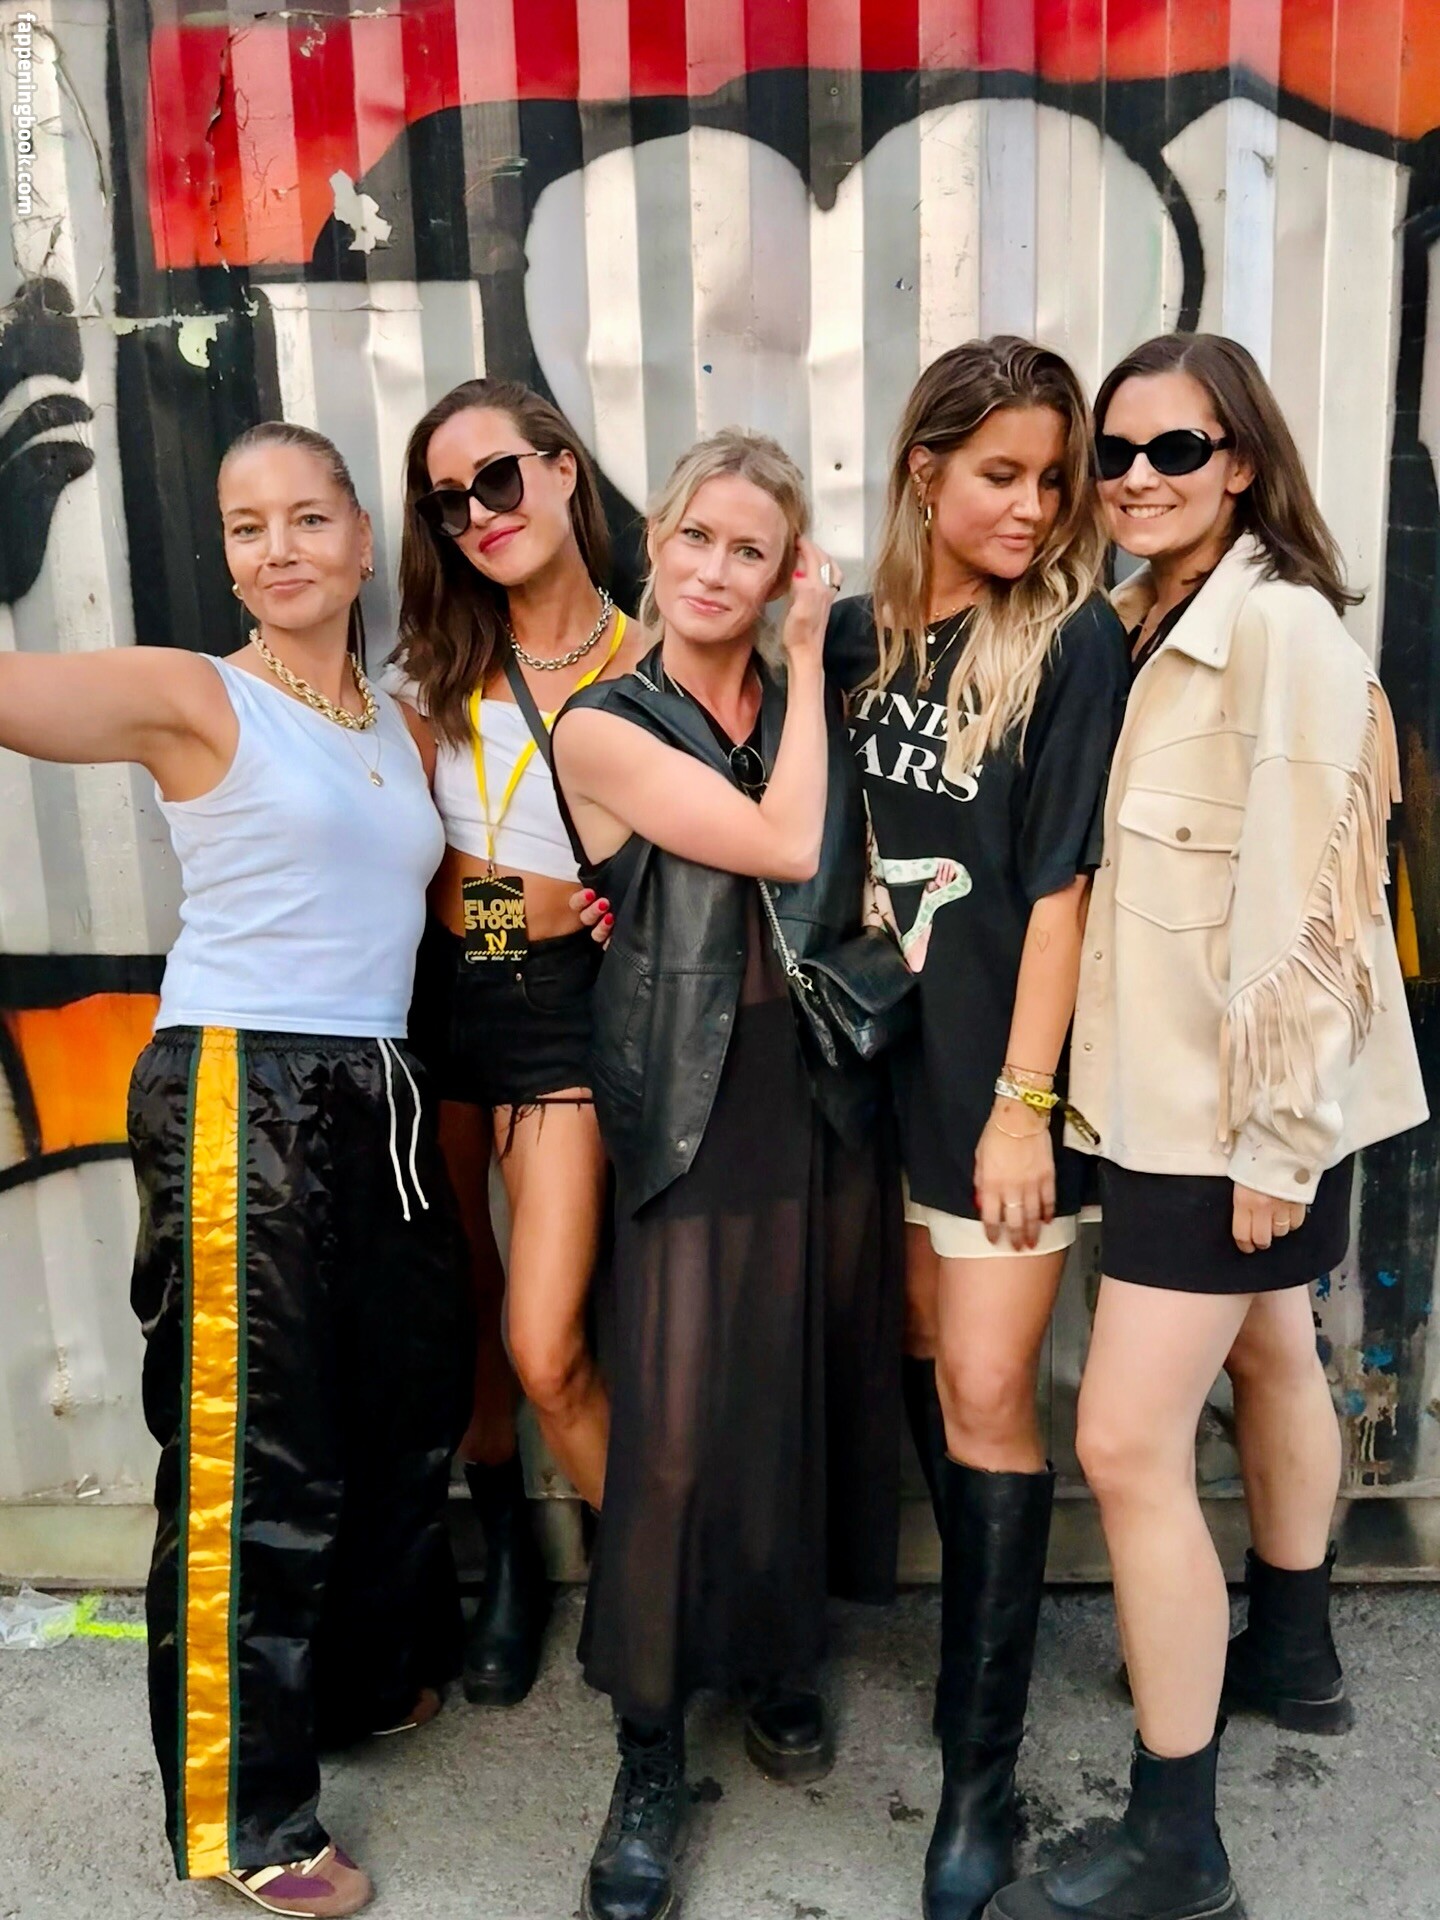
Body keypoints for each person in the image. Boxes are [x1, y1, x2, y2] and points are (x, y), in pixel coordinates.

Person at [0, 421, 473, 1916]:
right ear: (225, 551)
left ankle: (354, 1683)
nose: (280, 550)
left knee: (400, 1408)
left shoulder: (398, 727)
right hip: (239, 1087)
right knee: (254, 1454)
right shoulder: (196, 695)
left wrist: (563, 923)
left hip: (380, 1084)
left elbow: (434, 900)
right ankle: (241, 1818)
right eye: (247, 525)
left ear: (361, 538)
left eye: (309, 519)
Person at [986, 334, 1428, 1920]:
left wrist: (1276, 1147)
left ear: (1240, 461)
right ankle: (1292, 1655)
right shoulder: (1135, 620)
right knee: (1272, 1352)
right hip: (1176, 1096)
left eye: (1175, 449)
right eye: (1115, 452)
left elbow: (1319, 900)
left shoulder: (1280, 630)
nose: (1136, 477)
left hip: (1226, 1116)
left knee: (1121, 1442)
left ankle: (1176, 1843)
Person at [552, 430, 902, 1920]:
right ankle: (646, 1750)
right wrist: (812, 657)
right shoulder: (603, 721)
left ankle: (777, 1658)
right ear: (657, 539)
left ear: (783, 570)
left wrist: (807, 665)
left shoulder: (794, 689)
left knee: (798, 1382)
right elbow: (782, 842)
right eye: (697, 535)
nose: (714, 569)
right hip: (691, 1100)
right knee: (678, 1427)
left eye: (749, 550)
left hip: (815, 1085)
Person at [824, 337, 1128, 1920]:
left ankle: (977, 1776)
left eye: (1052, 478)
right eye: (1000, 473)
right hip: (868, 1068)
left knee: (993, 1387)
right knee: (927, 1358)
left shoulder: (1069, 642)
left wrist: (1026, 1110)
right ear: (924, 468)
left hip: (996, 1082)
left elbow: (1061, 894)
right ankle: (980, 1650)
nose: (1035, 506)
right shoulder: (854, 636)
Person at [392, 378, 643, 1708]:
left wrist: (623, 907)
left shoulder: (650, 654)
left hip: (563, 1011)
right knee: (465, 1307)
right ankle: (512, 1563)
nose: (480, 513)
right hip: (445, 995)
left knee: (551, 1338)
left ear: (561, 471)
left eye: (498, 478)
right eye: (450, 501)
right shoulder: (434, 662)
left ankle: (652, 1591)